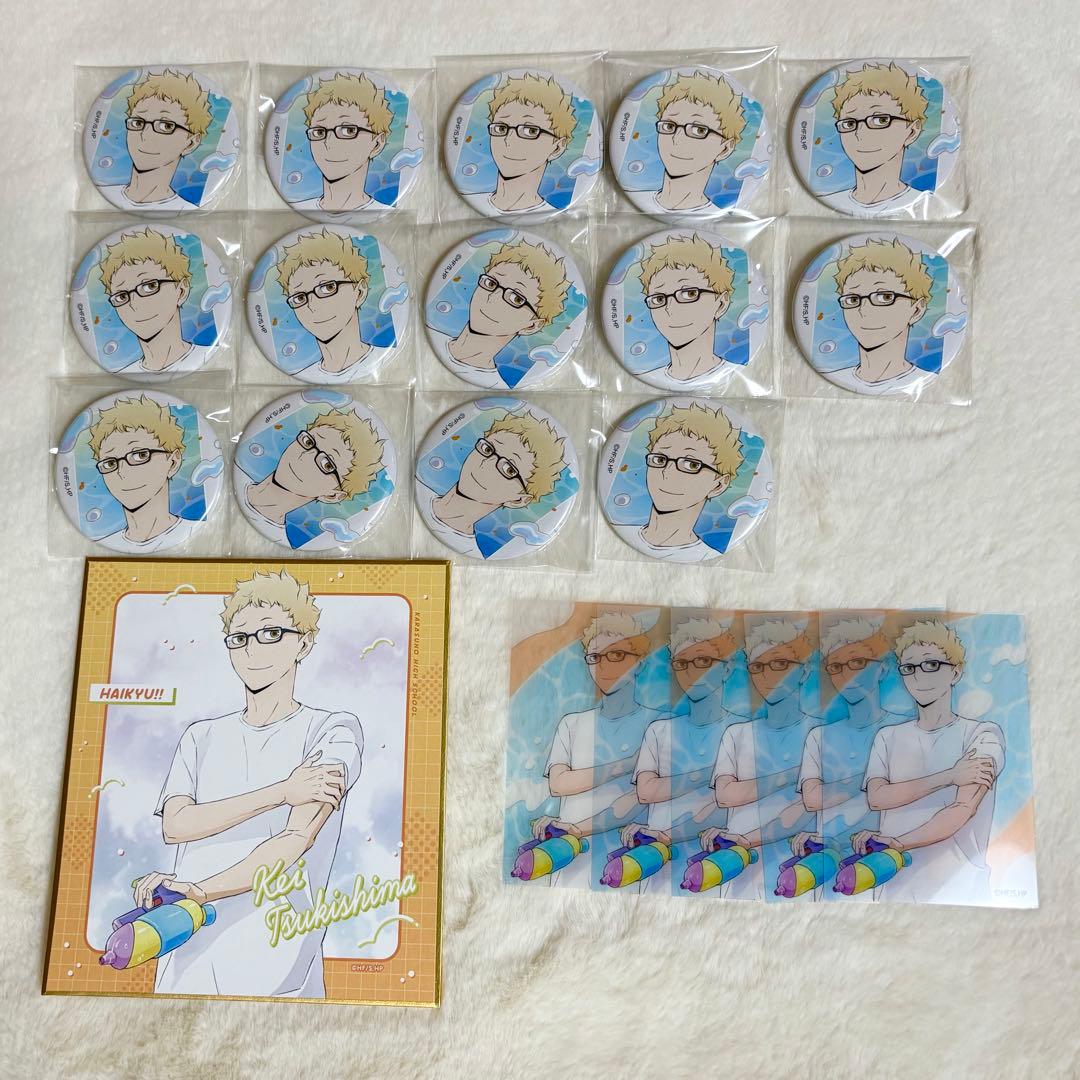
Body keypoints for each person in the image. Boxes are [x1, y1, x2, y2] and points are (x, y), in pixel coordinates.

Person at [130, 570, 364, 998]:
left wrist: (201, 890)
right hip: (186, 953)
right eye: (239, 638)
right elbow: (176, 825)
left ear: (304, 643)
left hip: (278, 963)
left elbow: (295, 839)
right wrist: (281, 791)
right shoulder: (200, 736)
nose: (253, 650)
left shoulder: (333, 731)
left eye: (271, 633)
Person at [853, 620, 1004, 905]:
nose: (919, 676)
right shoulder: (888, 736)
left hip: (960, 889)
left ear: (956, 672)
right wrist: (949, 776)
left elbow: (962, 809)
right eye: (909, 668)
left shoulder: (983, 735)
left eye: (931, 665)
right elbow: (877, 798)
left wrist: (898, 842)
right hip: (893, 885)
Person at [528, 612, 665, 887]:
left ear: (640, 662)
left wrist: (578, 828)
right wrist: (627, 765)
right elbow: (558, 784)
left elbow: (639, 798)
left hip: (629, 862)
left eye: (616, 655)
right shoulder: (572, 724)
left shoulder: (658, 724)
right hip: (568, 862)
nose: (603, 666)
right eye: (594, 656)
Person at [617, 616, 748, 893]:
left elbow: (739, 799)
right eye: (682, 663)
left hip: (719, 864)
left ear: (726, 668)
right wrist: (712, 777)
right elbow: (646, 792)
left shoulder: (743, 732)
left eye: (704, 661)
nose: (692, 672)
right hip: (653, 863)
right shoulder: (659, 730)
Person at [790, 617, 908, 896]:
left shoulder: (905, 731)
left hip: (890, 864)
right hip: (829, 865)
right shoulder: (819, 737)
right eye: (836, 666)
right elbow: (812, 799)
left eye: (858, 663)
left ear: (883, 668)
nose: (847, 675)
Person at [705, 618, 818, 900]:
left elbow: (813, 804)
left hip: (802, 869)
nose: (768, 675)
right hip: (734, 869)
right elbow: (725, 796)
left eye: (780, 664)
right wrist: (791, 777)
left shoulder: (820, 733)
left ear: (804, 670)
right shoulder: (737, 734)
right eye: (758, 667)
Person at [416, 410, 567, 558]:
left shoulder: (468, 550)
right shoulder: (415, 489)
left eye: (509, 469)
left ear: (518, 500)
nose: (486, 463)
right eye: (488, 449)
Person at [432, 239, 570, 388]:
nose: (493, 298)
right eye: (491, 283)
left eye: (516, 298)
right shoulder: (428, 339)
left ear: (532, 326)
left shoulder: (495, 385)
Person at [614, 402, 743, 560]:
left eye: (691, 465)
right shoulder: (618, 531)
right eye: (660, 459)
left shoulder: (705, 554)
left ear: (719, 485)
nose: (667, 473)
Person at [242, 410, 385, 548]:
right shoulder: (234, 477)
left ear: (332, 496)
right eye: (308, 442)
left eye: (327, 464)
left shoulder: (275, 541)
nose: (306, 456)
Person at [88, 394, 195, 552]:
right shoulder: (101, 545)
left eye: (140, 455)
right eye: (110, 463)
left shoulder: (195, 533)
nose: (122, 472)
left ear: (173, 462)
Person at [827, 237, 932, 394]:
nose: (864, 310)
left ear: (916, 310)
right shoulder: (834, 378)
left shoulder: (924, 382)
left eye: (884, 297)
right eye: (853, 299)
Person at [822, 62, 929, 215]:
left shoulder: (922, 201)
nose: (860, 134)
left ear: (912, 131)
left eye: (880, 120)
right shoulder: (829, 202)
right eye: (849, 123)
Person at [99, 70, 212, 211]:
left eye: (166, 126)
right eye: (138, 123)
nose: (145, 135)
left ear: (191, 143)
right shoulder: (103, 196)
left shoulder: (184, 209)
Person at [98, 228, 206, 376]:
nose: (134, 304)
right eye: (122, 296)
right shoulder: (125, 374)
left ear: (181, 291)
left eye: (149, 286)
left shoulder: (207, 359)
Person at [637, 234, 736, 385]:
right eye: (659, 299)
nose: (670, 309)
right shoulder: (647, 377)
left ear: (721, 304)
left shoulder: (733, 375)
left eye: (689, 294)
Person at [276, 229, 374, 380]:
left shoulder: (383, 362)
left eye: (327, 287)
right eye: (300, 297)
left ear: (360, 292)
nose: (312, 305)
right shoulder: (300, 376)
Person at [293, 73, 393, 214]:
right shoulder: (297, 208)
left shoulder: (382, 213)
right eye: (319, 132)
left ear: (377, 144)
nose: (329, 143)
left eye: (348, 130)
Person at [651, 71, 747, 213]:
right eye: (669, 126)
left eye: (699, 130)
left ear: (725, 149)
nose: (677, 139)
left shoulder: (714, 214)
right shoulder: (638, 199)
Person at [484, 73, 576, 215]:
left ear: (557, 148)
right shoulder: (474, 200)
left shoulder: (553, 214)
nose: (510, 141)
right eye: (501, 128)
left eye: (530, 131)